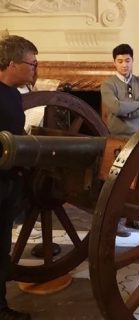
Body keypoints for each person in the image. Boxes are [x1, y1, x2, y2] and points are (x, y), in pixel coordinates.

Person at [0, 35, 38, 320]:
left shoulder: (13, 95)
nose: (34, 69)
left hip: (8, 181)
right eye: (31, 64)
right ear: (12, 63)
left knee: (2, 243)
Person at [100, 43, 139, 236]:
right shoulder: (108, 84)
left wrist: (127, 108)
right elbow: (114, 108)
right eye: (120, 61)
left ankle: (134, 217)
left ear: (132, 60)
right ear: (114, 62)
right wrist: (137, 105)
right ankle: (117, 221)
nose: (124, 64)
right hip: (117, 138)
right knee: (117, 182)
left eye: (128, 60)